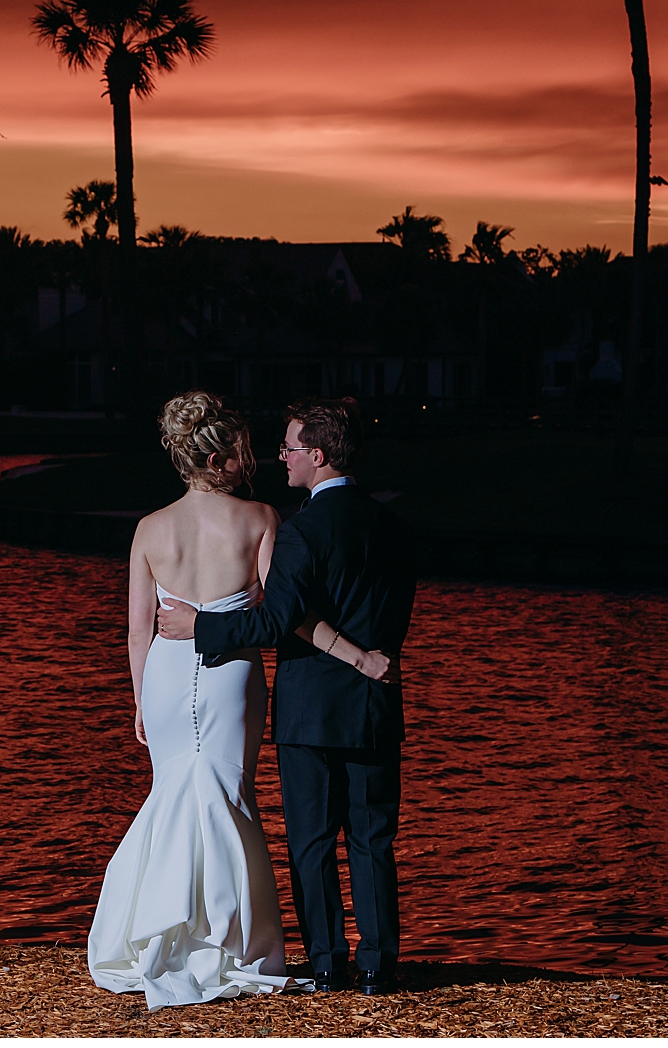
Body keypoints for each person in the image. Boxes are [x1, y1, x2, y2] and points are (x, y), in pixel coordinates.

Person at [87, 392, 391, 1010]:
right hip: (231, 675)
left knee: (173, 787)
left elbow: (137, 630)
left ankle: (160, 930)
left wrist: (141, 699)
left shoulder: (150, 529)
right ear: (222, 456)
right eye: (246, 450)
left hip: (168, 677)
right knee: (228, 793)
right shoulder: (259, 520)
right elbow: (291, 616)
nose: (256, 458)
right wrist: (354, 654)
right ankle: (233, 941)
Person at [156, 396, 414, 996]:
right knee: (373, 840)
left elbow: (278, 624)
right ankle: (379, 966)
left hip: (310, 712)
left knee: (313, 841)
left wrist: (203, 627)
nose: (283, 457)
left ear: (318, 456)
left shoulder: (303, 532)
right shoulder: (394, 526)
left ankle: (327, 963)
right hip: (376, 700)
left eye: (292, 448)